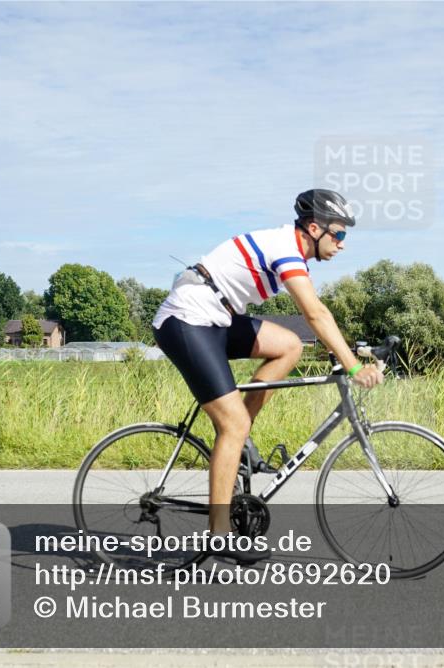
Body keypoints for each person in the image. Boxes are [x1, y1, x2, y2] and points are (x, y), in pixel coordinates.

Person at [151, 188, 385, 561]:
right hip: (186, 320)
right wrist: (354, 366)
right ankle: (220, 533)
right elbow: (315, 314)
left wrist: (347, 352)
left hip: (217, 316)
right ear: (314, 228)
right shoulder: (286, 249)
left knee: (290, 345)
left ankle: (240, 440)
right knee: (232, 424)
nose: (342, 244)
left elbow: (313, 324)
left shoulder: (291, 251)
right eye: (339, 235)